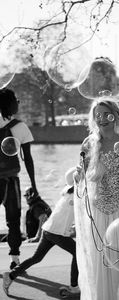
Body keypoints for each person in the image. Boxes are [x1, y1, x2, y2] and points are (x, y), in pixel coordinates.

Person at [73, 100, 119, 300]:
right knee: (102, 263)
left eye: (106, 114)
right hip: (99, 210)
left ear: (116, 115)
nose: (102, 119)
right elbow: (81, 177)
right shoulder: (89, 143)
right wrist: (78, 175)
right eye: (97, 115)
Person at [3, 166, 79, 296]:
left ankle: (10, 275)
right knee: (77, 253)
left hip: (48, 230)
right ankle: (73, 287)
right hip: (56, 232)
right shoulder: (76, 195)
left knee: (36, 258)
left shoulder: (67, 192)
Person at [0, 88, 38, 270]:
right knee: (13, 221)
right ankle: (15, 259)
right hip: (11, 180)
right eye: (16, 99)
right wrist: (34, 185)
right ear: (8, 103)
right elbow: (27, 159)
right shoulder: (19, 126)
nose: (18, 102)